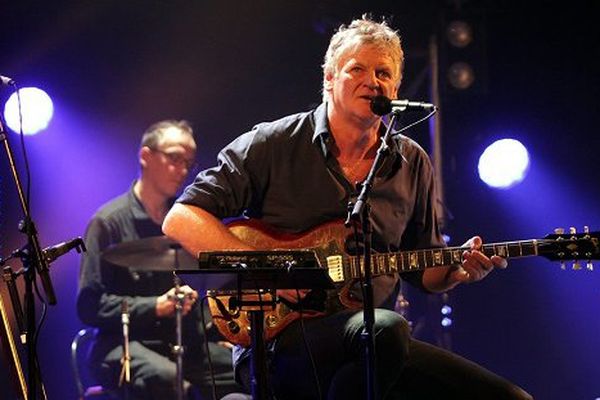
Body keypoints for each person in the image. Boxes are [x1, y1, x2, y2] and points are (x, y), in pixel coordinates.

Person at [162, 17, 533, 400]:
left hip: (376, 345)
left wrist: (458, 269)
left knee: (509, 398)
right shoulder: (273, 143)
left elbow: (426, 271)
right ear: (329, 77)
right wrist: (263, 267)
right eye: (357, 68)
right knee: (386, 329)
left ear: (396, 87)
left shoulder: (412, 161)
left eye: (383, 72)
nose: (372, 80)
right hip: (280, 341)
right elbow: (182, 217)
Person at [76, 120, 241, 399]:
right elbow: (90, 305)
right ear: (145, 156)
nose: (183, 170)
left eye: (189, 162)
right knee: (170, 382)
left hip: (180, 343)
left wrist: (222, 335)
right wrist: (155, 306)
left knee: (246, 368)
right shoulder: (108, 222)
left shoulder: (182, 222)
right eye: (175, 158)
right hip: (124, 344)